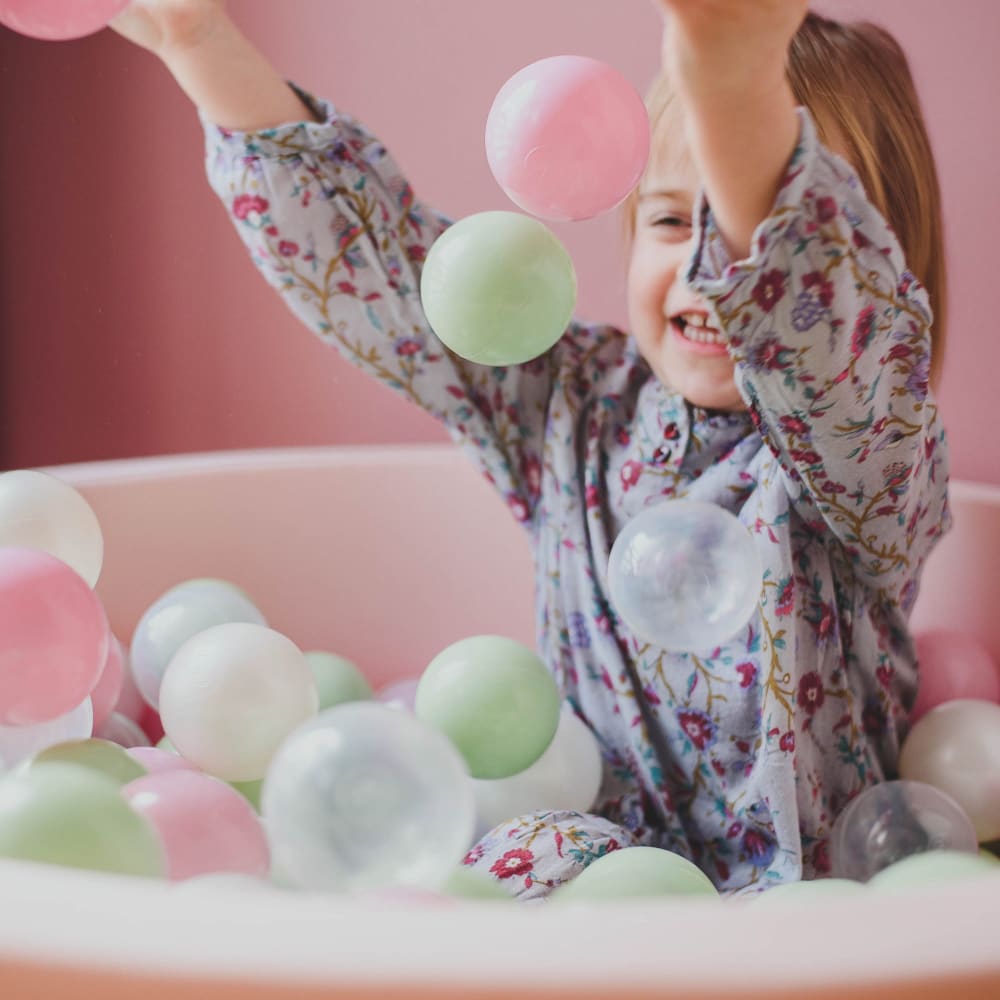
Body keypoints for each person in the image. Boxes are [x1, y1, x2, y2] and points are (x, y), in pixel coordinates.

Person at [110, 0, 951, 897]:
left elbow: (826, 337)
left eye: (741, 225)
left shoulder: (876, 458)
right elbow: (385, 275)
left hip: (805, 906)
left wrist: (735, 88)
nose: (710, 269)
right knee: (517, 859)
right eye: (671, 222)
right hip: (596, 854)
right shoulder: (574, 403)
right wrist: (200, 43)